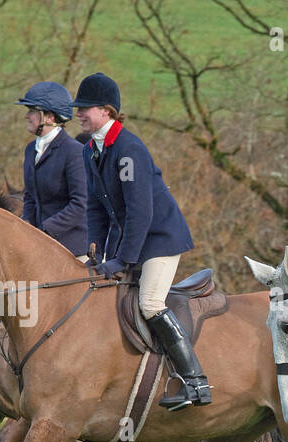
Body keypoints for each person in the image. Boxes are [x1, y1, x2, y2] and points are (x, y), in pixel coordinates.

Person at [71, 72, 210, 411]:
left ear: (106, 111)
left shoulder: (129, 150)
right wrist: (94, 251)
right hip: (132, 240)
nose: (78, 114)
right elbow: (95, 208)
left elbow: (140, 212)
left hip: (160, 239)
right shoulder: (92, 150)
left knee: (149, 303)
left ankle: (195, 382)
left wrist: (121, 260)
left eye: (84, 109)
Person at [16, 82, 88, 262]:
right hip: (39, 243)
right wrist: (26, 226)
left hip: (72, 249)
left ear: (49, 117)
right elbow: (30, 196)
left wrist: (45, 230)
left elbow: (80, 203)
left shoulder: (74, 152)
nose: (27, 116)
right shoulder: (31, 149)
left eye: (32, 111)